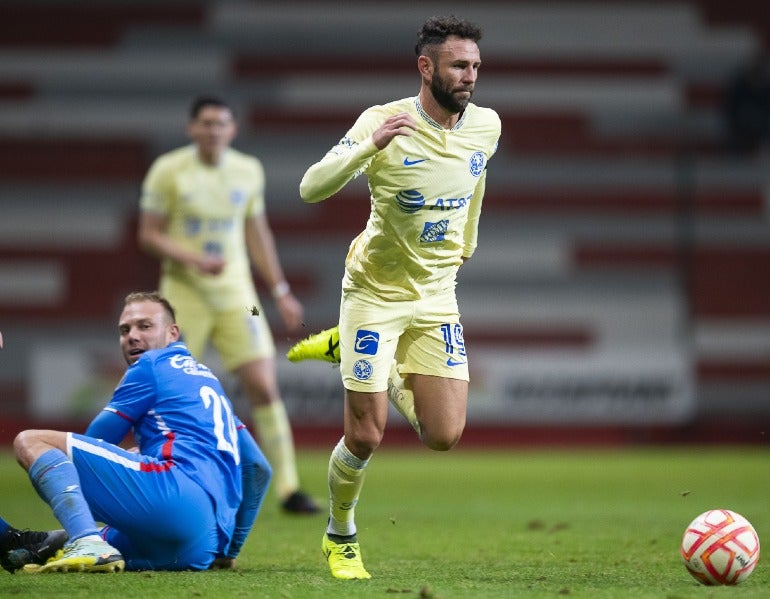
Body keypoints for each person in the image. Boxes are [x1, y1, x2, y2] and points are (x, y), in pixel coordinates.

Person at [288, 15, 501, 580]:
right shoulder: (383, 120)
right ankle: (341, 534)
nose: (470, 77)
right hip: (373, 293)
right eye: (459, 65)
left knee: (444, 436)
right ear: (426, 67)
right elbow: (310, 187)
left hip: (436, 294)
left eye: (476, 66)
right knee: (366, 434)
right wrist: (368, 148)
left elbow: (475, 183)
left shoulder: (486, 126)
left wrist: (468, 244)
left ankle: (368, 363)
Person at [138, 95, 319, 514]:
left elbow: (258, 234)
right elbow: (148, 235)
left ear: (233, 129)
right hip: (183, 296)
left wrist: (280, 291)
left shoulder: (247, 170)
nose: (213, 130)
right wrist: (194, 259)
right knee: (165, 389)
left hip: (242, 299)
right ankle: (154, 474)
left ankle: (289, 488)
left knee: (263, 383)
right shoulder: (168, 171)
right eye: (205, 123)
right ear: (192, 128)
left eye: (221, 123)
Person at [3, 291, 271, 573]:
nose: (132, 335)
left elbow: (95, 442)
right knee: (76, 540)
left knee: (32, 441)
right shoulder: (208, 382)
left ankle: (87, 543)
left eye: (145, 326)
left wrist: (127, 457)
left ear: (172, 333)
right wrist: (229, 549)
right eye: (124, 329)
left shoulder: (150, 365)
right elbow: (258, 467)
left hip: (173, 496)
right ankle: (69, 542)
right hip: (200, 546)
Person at [723, 50, 770, 156]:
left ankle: (766, 154)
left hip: (762, 126)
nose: (757, 69)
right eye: (755, 66)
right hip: (740, 125)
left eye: (760, 67)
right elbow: (731, 110)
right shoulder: (739, 85)